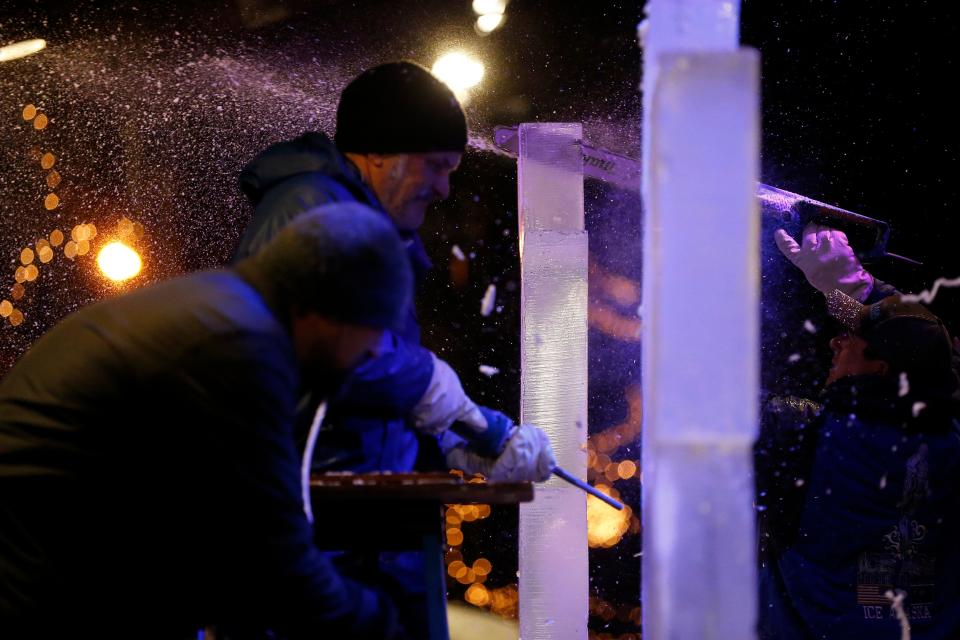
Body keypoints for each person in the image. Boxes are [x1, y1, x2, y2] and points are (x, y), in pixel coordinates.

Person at [0, 205, 415, 638]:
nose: (375, 352)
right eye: (376, 327)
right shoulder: (241, 346)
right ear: (330, 307)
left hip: (50, 566)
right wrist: (388, 624)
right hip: (46, 594)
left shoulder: (225, 310)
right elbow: (274, 558)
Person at [235, 60, 555, 484]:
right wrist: (429, 383)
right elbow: (316, 345)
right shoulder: (310, 209)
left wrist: (449, 447)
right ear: (381, 154)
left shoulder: (368, 226)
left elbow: (364, 400)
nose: (443, 189)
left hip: (359, 523)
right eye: (436, 165)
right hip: (323, 524)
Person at [755, 284, 960, 636]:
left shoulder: (804, 434)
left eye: (854, 337)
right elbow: (938, 356)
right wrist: (863, 286)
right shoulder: (952, 445)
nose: (836, 342)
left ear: (880, 369)